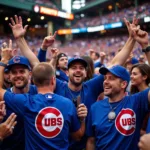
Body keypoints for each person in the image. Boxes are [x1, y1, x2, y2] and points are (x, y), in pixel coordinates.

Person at [9, 15, 138, 150]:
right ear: (67, 72)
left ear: (85, 71)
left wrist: (131, 39)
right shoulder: (58, 85)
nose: (78, 71)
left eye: (81, 68)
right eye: (74, 68)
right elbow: (37, 65)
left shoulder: (91, 87)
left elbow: (114, 64)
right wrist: (20, 39)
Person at [0, 48, 87, 149]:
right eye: (14, 72)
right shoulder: (67, 104)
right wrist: (82, 119)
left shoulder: (26, 101)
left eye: (22, 71)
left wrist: (3, 62)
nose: (18, 75)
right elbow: (78, 136)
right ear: (54, 80)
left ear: (33, 79)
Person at [86, 65, 150, 150]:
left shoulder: (136, 101)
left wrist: (147, 51)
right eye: (105, 78)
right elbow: (91, 140)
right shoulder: (95, 107)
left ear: (123, 84)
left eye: (111, 78)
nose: (105, 81)